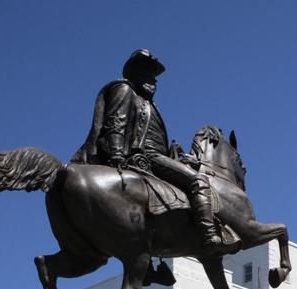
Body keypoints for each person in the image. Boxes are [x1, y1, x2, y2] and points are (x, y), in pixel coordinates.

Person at [73, 49, 223, 248]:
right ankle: (208, 234)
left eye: (154, 77)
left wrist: (173, 154)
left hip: (154, 156)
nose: (153, 81)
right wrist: (116, 153)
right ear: (134, 73)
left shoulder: (148, 103)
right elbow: (116, 121)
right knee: (199, 180)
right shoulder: (125, 89)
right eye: (147, 74)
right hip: (145, 157)